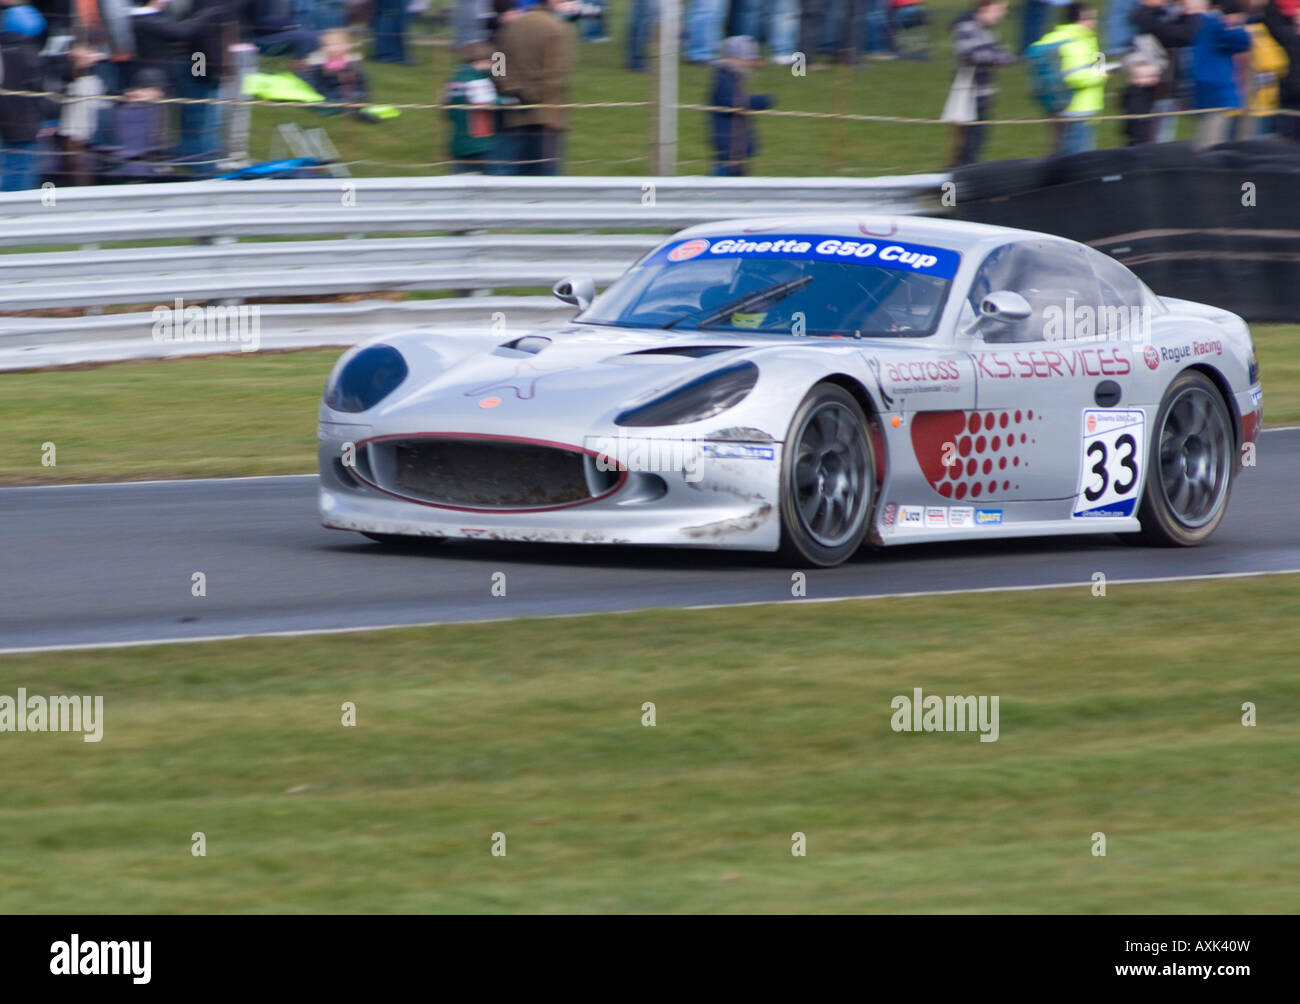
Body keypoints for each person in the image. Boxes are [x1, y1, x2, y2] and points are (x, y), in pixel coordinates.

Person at [497, 0, 576, 174]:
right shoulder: (557, 28)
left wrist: (511, 89)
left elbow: (497, 62)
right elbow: (556, 75)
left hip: (514, 114)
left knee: (513, 177)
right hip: (546, 118)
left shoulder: (512, 25)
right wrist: (533, 97)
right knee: (544, 181)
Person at [944, 0, 1016, 166]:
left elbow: (996, 53)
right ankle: (956, 183)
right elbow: (970, 55)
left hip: (982, 94)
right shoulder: (967, 27)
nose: (1003, 13)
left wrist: (1003, 57)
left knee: (975, 143)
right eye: (1000, 9)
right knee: (968, 145)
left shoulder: (987, 30)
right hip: (968, 95)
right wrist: (1000, 58)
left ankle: (959, 179)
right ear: (986, 7)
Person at [1034, 3, 1106, 154]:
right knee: (1073, 163)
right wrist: (1100, 75)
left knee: (1062, 158)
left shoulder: (1076, 38)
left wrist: (1101, 67)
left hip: (1066, 110)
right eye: (1092, 17)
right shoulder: (1075, 41)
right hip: (1076, 112)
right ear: (1080, 18)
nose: (1095, 21)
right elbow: (1073, 76)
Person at [1130, 0, 1201, 141]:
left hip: (1164, 87)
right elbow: (1182, 36)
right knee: (1156, 139)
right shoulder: (1149, 19)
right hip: (1157, 90)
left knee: (1158, 136)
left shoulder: (1158, 15)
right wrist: (1192, 14)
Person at [1190, 0, 1252, 145]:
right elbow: (1244, 42)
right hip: (1217, 95)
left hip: (1204, 93)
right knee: (1212, 142)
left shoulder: (1204, 25)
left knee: (1201, 139)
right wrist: (1238, 26)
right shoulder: (1217, 26)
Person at [708, 34, 772, 175]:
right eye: (747, 59)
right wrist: (761, 101)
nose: (750, 64)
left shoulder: (733, 76)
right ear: (735, 58)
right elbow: (732, 102)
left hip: (736, 148)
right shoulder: (724, 76)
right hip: (728, 149)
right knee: (719, 188)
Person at [0, 2, 46, 191]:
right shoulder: (29, 52)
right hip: (24, 128)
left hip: (4, 126)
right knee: (22, 176)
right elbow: (39, 90)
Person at [445, 41, 502, 171]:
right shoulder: (477, 81)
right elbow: (488, 103)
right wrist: (508, 101)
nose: (492, 66)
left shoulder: (455, 80)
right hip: (480, 143)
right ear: (480, 61)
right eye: (490, 62)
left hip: (458, 142)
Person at [1242, 0, 1288, 134]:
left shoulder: (1266, 28)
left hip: (1263, 100)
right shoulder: (1257, 29)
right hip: (1258, 99)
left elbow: (1276, 63)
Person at [1264, 0, 1300, 139]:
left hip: (1292, 92)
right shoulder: (1289, 38)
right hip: (1290, 92)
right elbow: (1272, 25)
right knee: (1285, 134)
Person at [1120, 55, 1161, 139]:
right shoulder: (1134, 93)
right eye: (1146, 77)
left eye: (1153, 76)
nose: (1152, 79)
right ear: (1133, 79)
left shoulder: (1152, 91)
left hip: (1147, 133)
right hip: (1139, 134)